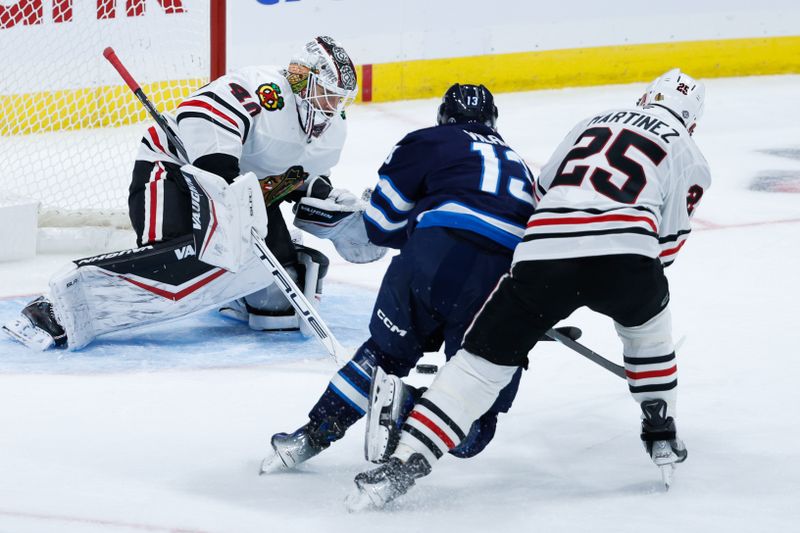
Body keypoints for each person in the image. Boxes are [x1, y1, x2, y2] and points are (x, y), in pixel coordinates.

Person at [348, 68, 711, 510]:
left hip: (542, 256)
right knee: (648, 332)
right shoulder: (691, 154)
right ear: (692, 122)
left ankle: (403, 463)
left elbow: (542, 189)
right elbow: (666, 248)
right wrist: (627, 282)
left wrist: (540, 299)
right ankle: (660, 431)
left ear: (645, 97)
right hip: (626, 255)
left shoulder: (596, 119)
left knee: (478, 367)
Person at [3, 36, 384, 351]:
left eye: (339, 100)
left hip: (243, 194)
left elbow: (298, 181)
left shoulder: (332, 129)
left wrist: (332, 208)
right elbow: (200, 114)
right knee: (177, 260)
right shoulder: (264, 89)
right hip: (172, 169)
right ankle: (52, 309)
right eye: (326, 94)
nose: (332, 108)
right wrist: (224, 188)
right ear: (303, 77)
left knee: (277, 306)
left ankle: (231, 288)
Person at [259, 83, 537, 474]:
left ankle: (313, 434)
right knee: (478, 406)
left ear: (444, 117)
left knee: (384, 353)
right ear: (493, 121)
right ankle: (405, 405)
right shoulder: (523, 166)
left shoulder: (427, 141)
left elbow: (380, 224)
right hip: (501, 281)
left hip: (434, 255)